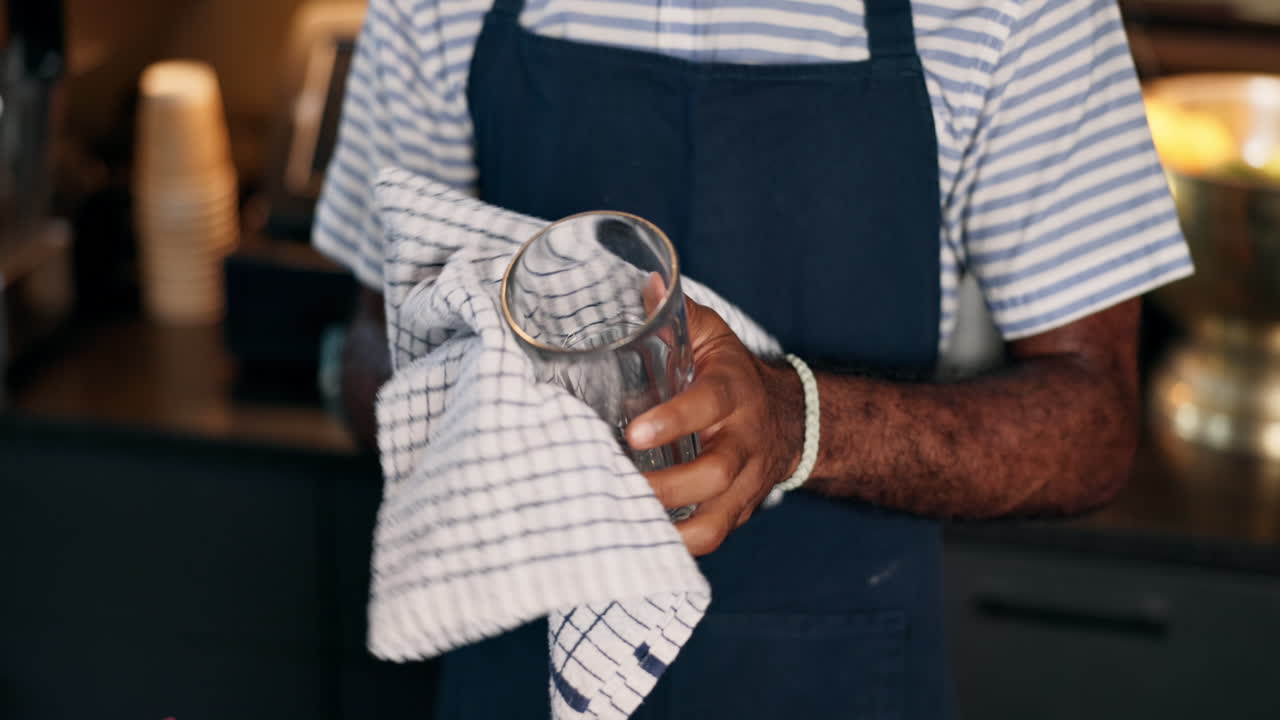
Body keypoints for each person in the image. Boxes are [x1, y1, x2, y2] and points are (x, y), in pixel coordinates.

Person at [314, 0, 1193, 717]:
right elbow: (370, 341)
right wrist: (471, 411)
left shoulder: (1020, 12)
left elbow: (1096, 419)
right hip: (514, 671)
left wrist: (799, 423)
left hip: (838, 673)